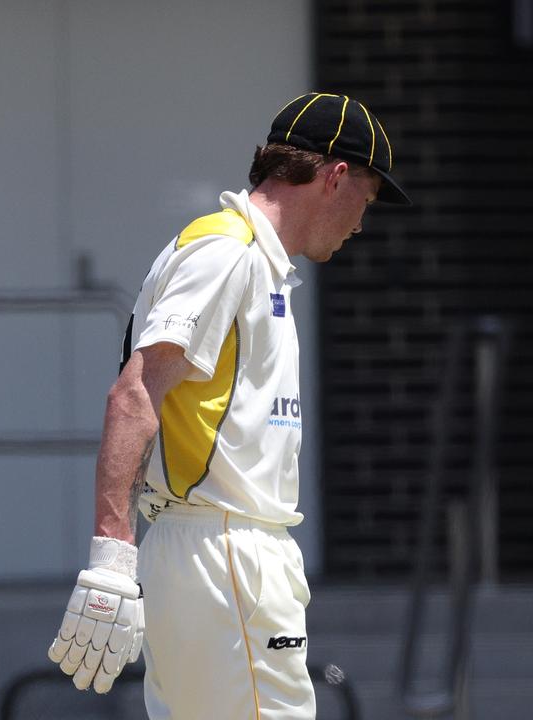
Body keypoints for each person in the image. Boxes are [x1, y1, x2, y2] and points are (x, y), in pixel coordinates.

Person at [48, 92, 410, 718]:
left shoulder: (253, 259)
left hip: (219, 551)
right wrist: (111, 556)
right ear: (336, 175)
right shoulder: (230, 252)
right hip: (223, 550)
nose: (360, 223)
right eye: (367, 201)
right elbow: (134, 393)